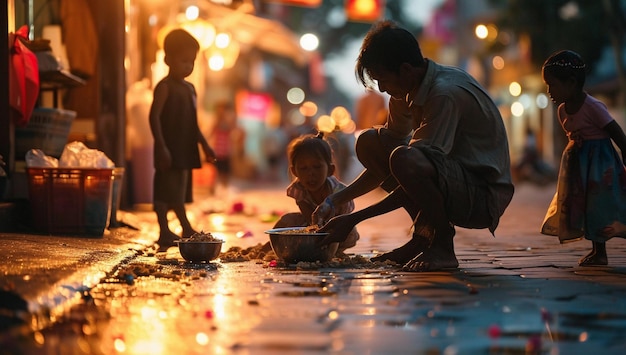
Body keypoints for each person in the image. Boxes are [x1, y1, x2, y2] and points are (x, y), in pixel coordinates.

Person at [312, 20, 514, 271]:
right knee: (370, 143)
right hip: (453, 179)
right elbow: (386, 163)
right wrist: (334, 200)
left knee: (405, 158)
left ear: (406, 70)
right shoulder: (405, 91)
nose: (383, 89)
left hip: (483, 195)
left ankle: (442, 245)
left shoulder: (443, 94)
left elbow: (411, 169)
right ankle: (423, 238)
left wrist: (354, 218)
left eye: (383, 79)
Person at [540, 50, 626, 266]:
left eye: (552, 84)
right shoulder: (562, 110)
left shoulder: (593, 107)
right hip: (578, 166)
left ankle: (601, 249)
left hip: (600, 166)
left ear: (571, 83)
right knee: (585, 206)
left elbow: (616, 132)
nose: (549, 91)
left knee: (602, 205)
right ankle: (598, 251)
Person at [149, 29, 216, 251]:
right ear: (168, 59)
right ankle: (164, 229)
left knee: (180, 189)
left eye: (192, 62)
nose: (188, 66)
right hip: (168, 147)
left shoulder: (190, 89)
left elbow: (192, 123)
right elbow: (154, 116)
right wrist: (160, 145)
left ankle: (185, 227)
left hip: (185, 147)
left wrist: (205, 145)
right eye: (183, 60)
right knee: (164, 189)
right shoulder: (165, 87)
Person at [273, 132, 359, 256]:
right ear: (294, 171)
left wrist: (325, 229)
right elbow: (308, 215)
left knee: (350, 232)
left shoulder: (337, 191)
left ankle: (335, 251)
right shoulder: (299, 189)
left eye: (317, 167)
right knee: (286, 221)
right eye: (303, 168)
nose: (310, 173)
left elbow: (343, 217)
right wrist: (314, 229)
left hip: (336, 225)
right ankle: (278, 247)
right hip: (312, 224)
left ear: (330, 170)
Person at [208, 100, 244, 195]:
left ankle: (224, 189)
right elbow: (210, 133)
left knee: (225, 172)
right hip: (217, 150)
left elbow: (237, 131)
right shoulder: (216, 122)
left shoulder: (229, 121)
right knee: (216, 172)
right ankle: (215, 189)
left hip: (226, 151)